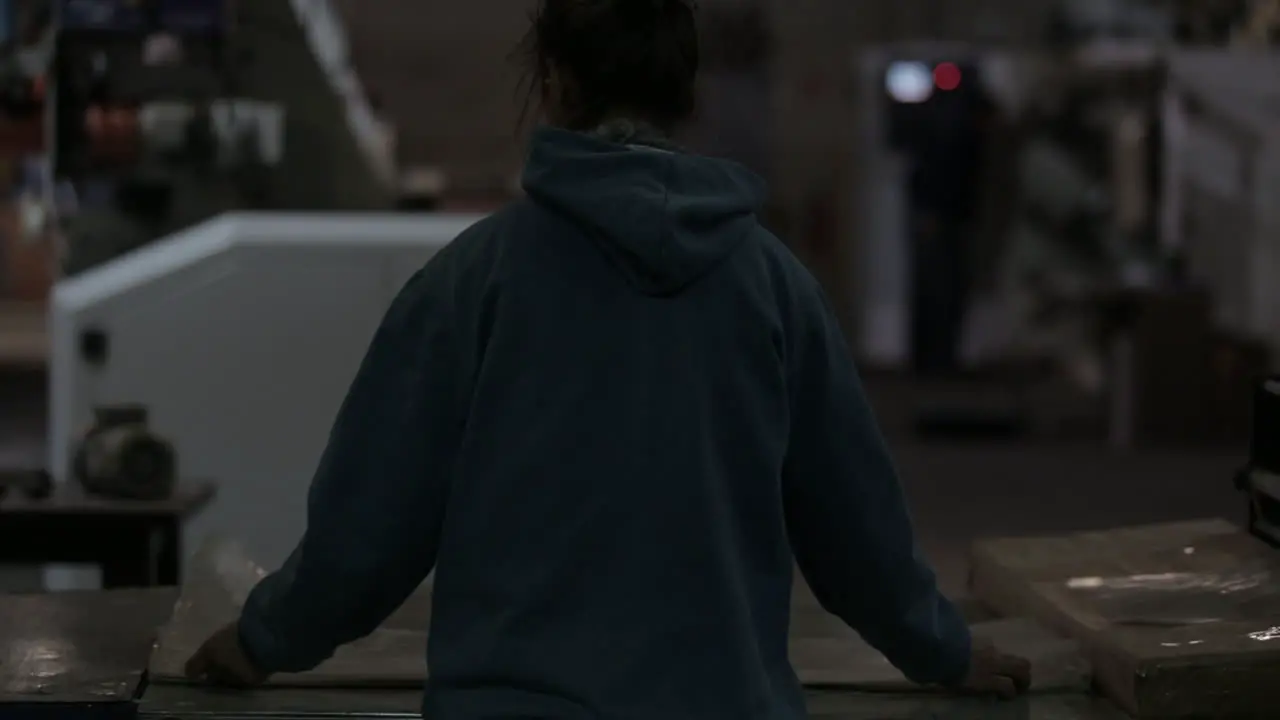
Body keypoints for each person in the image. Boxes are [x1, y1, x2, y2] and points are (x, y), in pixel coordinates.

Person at [185, 0, 1031, 716]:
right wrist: (947, 654)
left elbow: (367, 533)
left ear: (552, 82)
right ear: (685, 95)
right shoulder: (776, 288)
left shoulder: (473, 285)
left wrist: (263, 641)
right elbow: (859, 537)